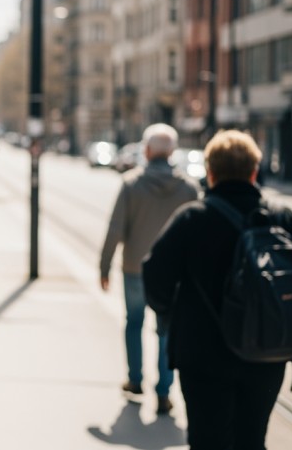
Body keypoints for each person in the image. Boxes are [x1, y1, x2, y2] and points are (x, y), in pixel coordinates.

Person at [143, 130, 292, 449]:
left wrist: (172, 314)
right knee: (252, 438)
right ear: (254, 171)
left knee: (207, 439)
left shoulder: (192, 218)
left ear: (210, 173)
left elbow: (154, 277)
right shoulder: (281, 218)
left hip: (202, 353)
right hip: (266, 352)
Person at [98, 123, 199, 415]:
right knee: (166, 330)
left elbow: (115, 228)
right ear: (172, 152)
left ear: (147, 150)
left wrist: (104, 265)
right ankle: (164, 391)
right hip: (174, 275)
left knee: (133, 322)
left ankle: (135, 379)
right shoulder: (189, 188)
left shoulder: (132, 184)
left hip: (135, 268)